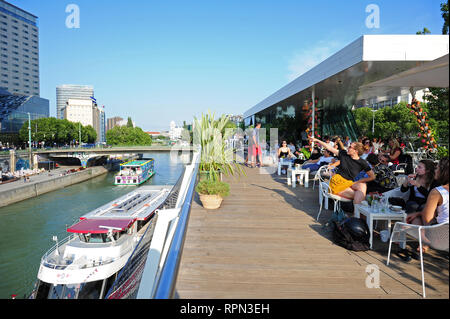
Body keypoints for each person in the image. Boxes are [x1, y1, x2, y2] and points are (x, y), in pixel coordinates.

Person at [309, 137, 375, 205]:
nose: (347, 148)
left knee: (362, 185)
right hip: (337, 182)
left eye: (350, 147)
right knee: (360, 195)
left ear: (356, 151)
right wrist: (317, 140)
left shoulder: (362, 162)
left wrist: (359, 181)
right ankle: (357, 214)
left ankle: (357, 213)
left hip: (349, 183)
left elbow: (372, 177)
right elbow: (329, 148)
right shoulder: (344, 154)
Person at [406, 157, 449, 251]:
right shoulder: (416, 177)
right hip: (416, 204)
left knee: (418, 214)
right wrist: (406, 181)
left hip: (442, 237)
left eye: (437, 168)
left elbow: (427, 218)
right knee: (413, 207)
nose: (435, 170)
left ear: (444, 171)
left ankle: (424, 241)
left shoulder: (437, 190)